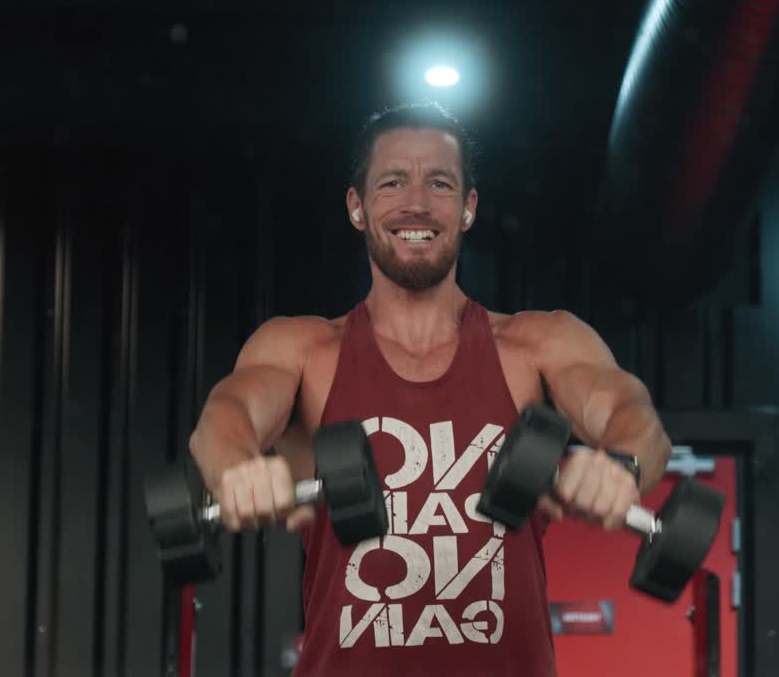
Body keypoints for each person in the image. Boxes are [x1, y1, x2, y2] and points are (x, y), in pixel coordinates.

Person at [188, 103, 672, 676]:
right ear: (357, 207)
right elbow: (227, 414)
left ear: (468, 208)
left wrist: (620, 466)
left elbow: (628, 412)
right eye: (393, 182)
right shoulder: (301, 351)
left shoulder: (538, 344)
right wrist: (237, 470)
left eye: (439, 183)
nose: (416, 203)